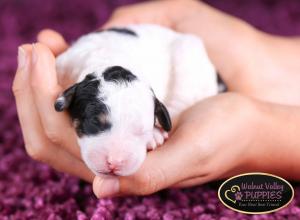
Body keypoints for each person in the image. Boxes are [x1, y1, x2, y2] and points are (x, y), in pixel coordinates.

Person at [12, 0, 300, 198]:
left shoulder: (149, 89)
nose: (115, 160)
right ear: (67, 100)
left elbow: (179, 58)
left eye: (139, 130)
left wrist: (166, 121)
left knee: (186, 53)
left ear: (156, 110)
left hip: (179, 56)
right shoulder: (68, 70)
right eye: (97, 125)